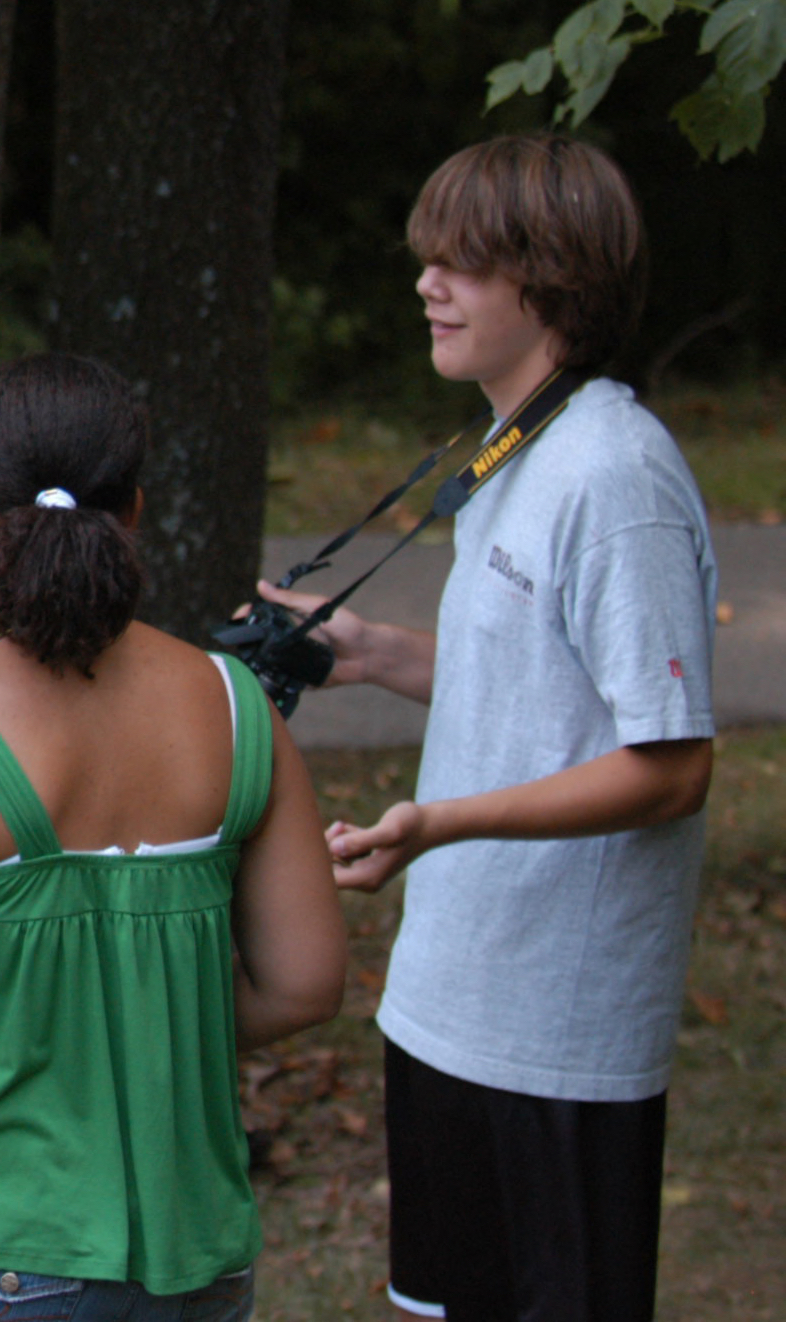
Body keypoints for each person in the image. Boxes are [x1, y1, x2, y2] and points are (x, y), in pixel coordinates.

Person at [256, 134, 715, 1322]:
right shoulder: (519, 446)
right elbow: (539, 684)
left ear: (550, 279)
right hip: (450, 1000)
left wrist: (440, 822)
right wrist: (371, 652)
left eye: (458, 262)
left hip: (554, 1033)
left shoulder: (614, 476)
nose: (425, 283)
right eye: (427, 258)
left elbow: (670, 764)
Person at [0, 354, 348, 1318]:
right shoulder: (236, 709)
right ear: (132, 510)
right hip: (190, 1256)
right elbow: (305, 983)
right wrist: (138, 1021)